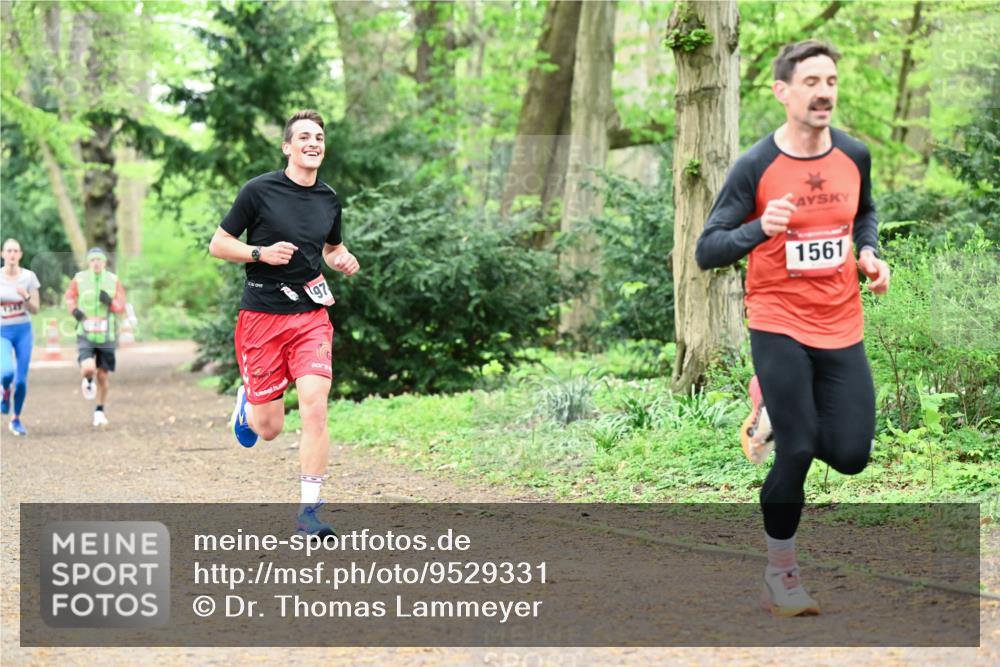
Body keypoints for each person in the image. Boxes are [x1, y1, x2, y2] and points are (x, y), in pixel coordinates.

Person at [695, 40, 891, 617]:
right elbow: (708, 250)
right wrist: (760, 227)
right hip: (778, 320)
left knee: (853, 454)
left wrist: (870, 252)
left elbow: (865, 214)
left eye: (831, 80)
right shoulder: (756, 165)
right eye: (810, 81)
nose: (824, 91)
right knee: (801, 448)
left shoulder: (854, 155)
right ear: (782, 91)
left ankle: (774, 414)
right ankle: (781, 576)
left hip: (841, 321)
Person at [209, 109, 359, 536]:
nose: (314, 143)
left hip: (310, 317)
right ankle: (248, 406)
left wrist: (341, 259)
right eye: (305, 137)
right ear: (288, 147)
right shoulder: (258, 191)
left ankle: (309, 511)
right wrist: (260, 253)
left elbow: (332, 249)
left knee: (315, 405)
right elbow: (218, 244)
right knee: (269, 428)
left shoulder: (329, 198)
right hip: (261, 317)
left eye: (319, 137)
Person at [64, 247, 127, 427]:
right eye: (93, 260)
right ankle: (87, 379)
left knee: (103, 376)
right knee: (88, 368)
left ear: (105, 262)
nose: (96, 263)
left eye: (99, 260)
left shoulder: (113, 280)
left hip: (107, 335)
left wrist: (110, 302)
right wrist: (74, 310)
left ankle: (99, 410)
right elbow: (69, 297)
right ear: (89, 262)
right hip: (86, 333)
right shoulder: (80, 279)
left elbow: (121, 306)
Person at [0, 238, 41, 436]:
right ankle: (5, 390)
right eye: (9, 251)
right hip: (2, 332)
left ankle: (16, 419)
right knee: (6, 373)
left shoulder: (29, 277)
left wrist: (25, 296)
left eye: (16, 250)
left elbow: (36, 309)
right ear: (2, 254)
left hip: (23, 331)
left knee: (22, 381)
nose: (12, 254)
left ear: (21, 255)